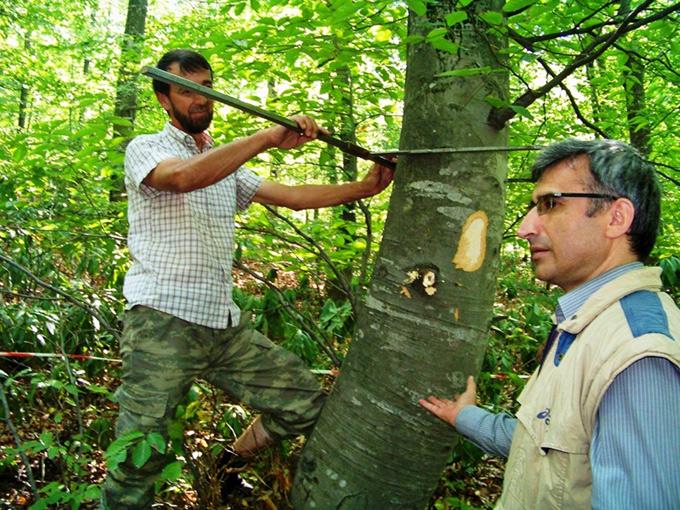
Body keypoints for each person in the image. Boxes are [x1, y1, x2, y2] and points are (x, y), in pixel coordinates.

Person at [101, 49, 394, 509]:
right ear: (163, 98)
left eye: (207, 88)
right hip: (161, 324)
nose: (201, 100)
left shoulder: (223, 162)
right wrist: (266, 137)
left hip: (221, 324)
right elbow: (182, 179)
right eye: (187, 91)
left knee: (304, 402)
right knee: (139, 460)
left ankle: (226, 462)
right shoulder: (147, 148)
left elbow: (292, 197)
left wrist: (365, 188)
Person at [420, 139, 680, 509]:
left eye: (550, 204)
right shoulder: (585, 324)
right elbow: (553, 449)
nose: (525, 228)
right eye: (532, 207)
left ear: (617, 218)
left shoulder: (637, 354)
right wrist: (465, 417)